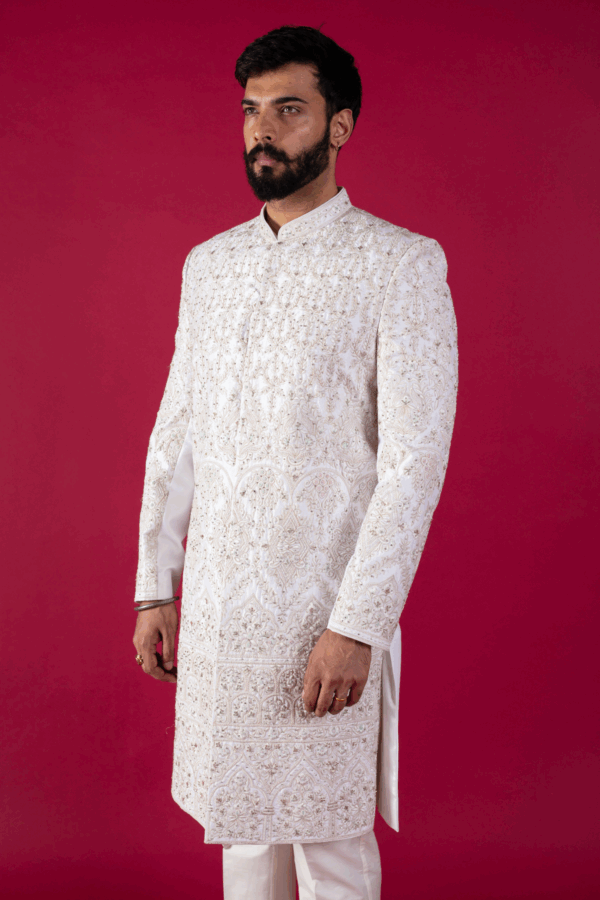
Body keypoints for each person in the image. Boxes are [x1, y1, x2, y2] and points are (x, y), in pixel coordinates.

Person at [132, 24, 458, 900]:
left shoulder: (399, 264)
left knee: (328, 844)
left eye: (288, 109)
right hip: (221, 617)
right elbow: (177, 433)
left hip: (322, 613)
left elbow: (414, 463)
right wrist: (156, 586)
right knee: (242, 837)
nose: (262, 130)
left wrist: (360, 626)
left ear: (339, 125)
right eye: (251, 111)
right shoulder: (211, 266)